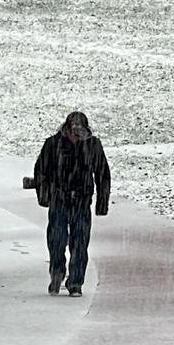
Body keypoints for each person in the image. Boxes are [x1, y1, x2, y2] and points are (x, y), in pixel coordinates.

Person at [30, 110, 111, 297]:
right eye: (73, 131)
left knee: (80, 244)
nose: (76, 135)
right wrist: (45, 197)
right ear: (67, 128)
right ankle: (57, 273)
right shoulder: (53, 144)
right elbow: (40, 171)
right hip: (59, 200)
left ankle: (75, 283)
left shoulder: (93, 146)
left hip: (82, 202)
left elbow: (102, 174)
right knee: (56, 241)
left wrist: (102, 203)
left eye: (80, 132)